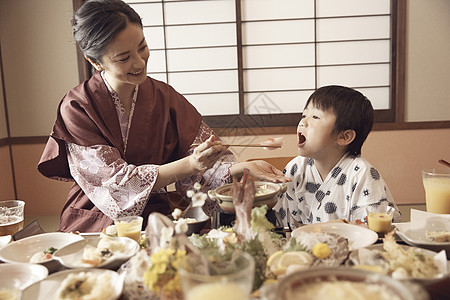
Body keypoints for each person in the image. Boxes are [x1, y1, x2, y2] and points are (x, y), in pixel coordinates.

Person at [38, 0, 288, 233]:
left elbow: (202, 155)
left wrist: (243, 167)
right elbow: (118, 185)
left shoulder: (164, 97)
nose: (139, 62)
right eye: (124, 57)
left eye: (142, 47)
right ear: (95, 61)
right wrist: (191, 165)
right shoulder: (78, 107)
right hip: (95, 222)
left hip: (156, 220)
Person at [274, 85, 401, 228]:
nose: (302, 122)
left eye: (315, 117)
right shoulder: (295, 169)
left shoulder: (361, 174)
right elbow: (283, 225)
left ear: (343, 136)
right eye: (304, 115)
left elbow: (374, 226)